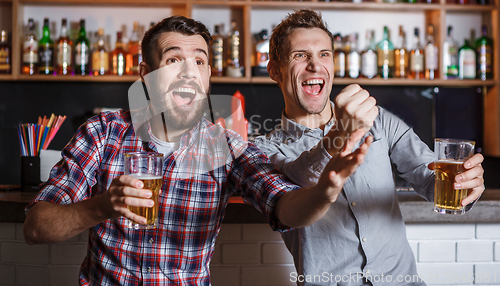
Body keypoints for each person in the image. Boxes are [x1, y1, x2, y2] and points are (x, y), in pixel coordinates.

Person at [23, 15, 373, 285]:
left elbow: (287, 208)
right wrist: (101, 206)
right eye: (174, 61)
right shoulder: (102, 132)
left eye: (200, 61)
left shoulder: (228, 148)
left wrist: (325, 190)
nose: (189, 72)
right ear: (145, 75)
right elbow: (36, 227)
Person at [253, 9, 485, 286]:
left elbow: (430, 178)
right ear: (275, 70)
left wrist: (465, 186)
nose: (315, 65)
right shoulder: (264, 150)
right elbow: (300, 180)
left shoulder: (379, 120)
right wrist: (340, 134)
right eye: (300, 55)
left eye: (324, 54)